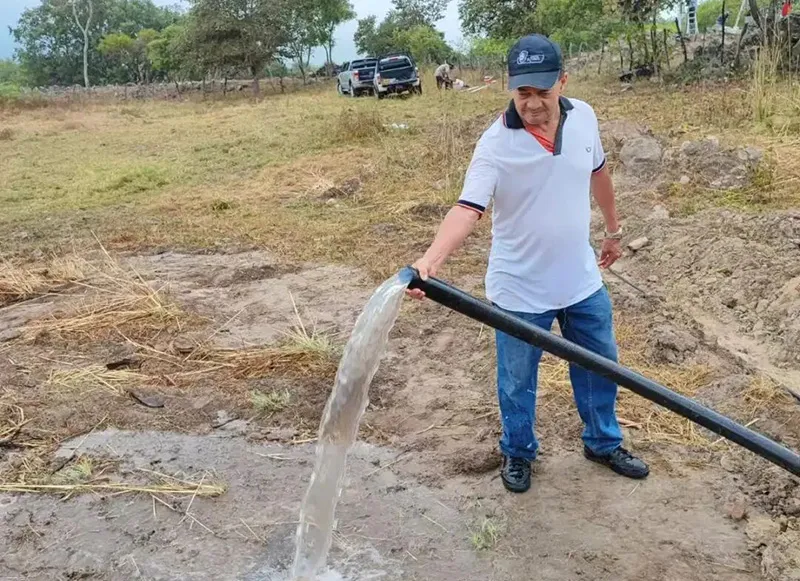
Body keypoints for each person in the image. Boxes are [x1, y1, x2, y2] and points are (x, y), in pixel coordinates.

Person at [407, 34, 649, 493]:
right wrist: (431, 260)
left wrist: (613, 230)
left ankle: (602, 442)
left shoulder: (585, 117)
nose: (533, 103)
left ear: (563, 82)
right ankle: (518, 451)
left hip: (580, 280)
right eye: (523, 92)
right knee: (517, 381)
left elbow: (598, 173)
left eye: (543, 91)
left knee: (601, 367)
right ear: (510, 87)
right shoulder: (495, 144)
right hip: (519, 290)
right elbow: (467, 209)